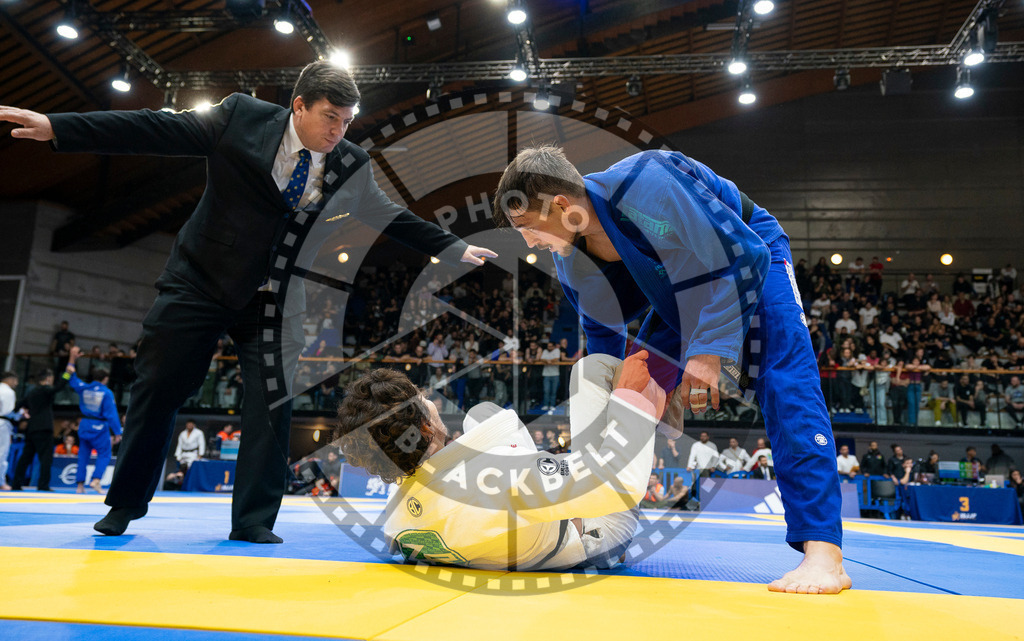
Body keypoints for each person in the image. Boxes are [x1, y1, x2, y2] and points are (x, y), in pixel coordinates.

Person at [0, 61, 495, 542]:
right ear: (299, 106)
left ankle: (254, 520)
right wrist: (59, 127)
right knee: (157, 388)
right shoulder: (240, 117)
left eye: (347, 121)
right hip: (201, 280)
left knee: (271, 405)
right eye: (330, 117)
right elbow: (155, 128)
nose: (338, 131)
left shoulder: (350, 164)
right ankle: (125, 503)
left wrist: (451, 246)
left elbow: (387, 212)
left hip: (275, 299)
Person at [494, 145, 849, 593]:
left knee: (783, 382)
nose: (529, 243)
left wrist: (707, 351)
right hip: (679, 290)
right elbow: (605, 346)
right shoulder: (572, 262)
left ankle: (824, 555)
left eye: (527, 228)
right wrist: (628, 400)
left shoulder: (648, 184)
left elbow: (746, 256)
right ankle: (605, 527)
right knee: (617, 384)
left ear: (563, 206)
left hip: (748, 257)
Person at [335, 351, 664, 571]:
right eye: (424, 399)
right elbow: (620, 484)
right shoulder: (499, 479)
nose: (431, 400)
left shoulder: (396, 515)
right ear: (425, 427)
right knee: (590, 370)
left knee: (482, 414)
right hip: (591, 532)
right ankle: (662, 402)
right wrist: (630, 400)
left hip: (494, 524)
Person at [64, 346, 123, 494]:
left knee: (83, 455)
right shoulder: (106, 393)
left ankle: (79, 486)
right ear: (105, 379)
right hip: (99, 426)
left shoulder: (84, 387)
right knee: (105, 454)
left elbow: (71, 377)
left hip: (84, 424)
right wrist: (118, 432)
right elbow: (111, 414)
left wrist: (72, 359)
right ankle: (96, 480)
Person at [11, 369, 66, 491]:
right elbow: (58, 388)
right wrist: (67, 374)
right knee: (46, 458)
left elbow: (18, 405)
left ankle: (16, 484)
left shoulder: (32, 392)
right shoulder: (45, 389)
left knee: (26, 457)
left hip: (32, 428)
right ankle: (43, 485)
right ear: (48, 378)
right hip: (44, 428)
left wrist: (21, 415)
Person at [0, 372, 23, 490]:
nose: (16, 383)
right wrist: (21, 413)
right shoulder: (8, 392)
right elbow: (9, 411)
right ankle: (1, 482)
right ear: (10, 379)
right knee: (2, 453)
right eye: (15, 380)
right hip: (2, 424)